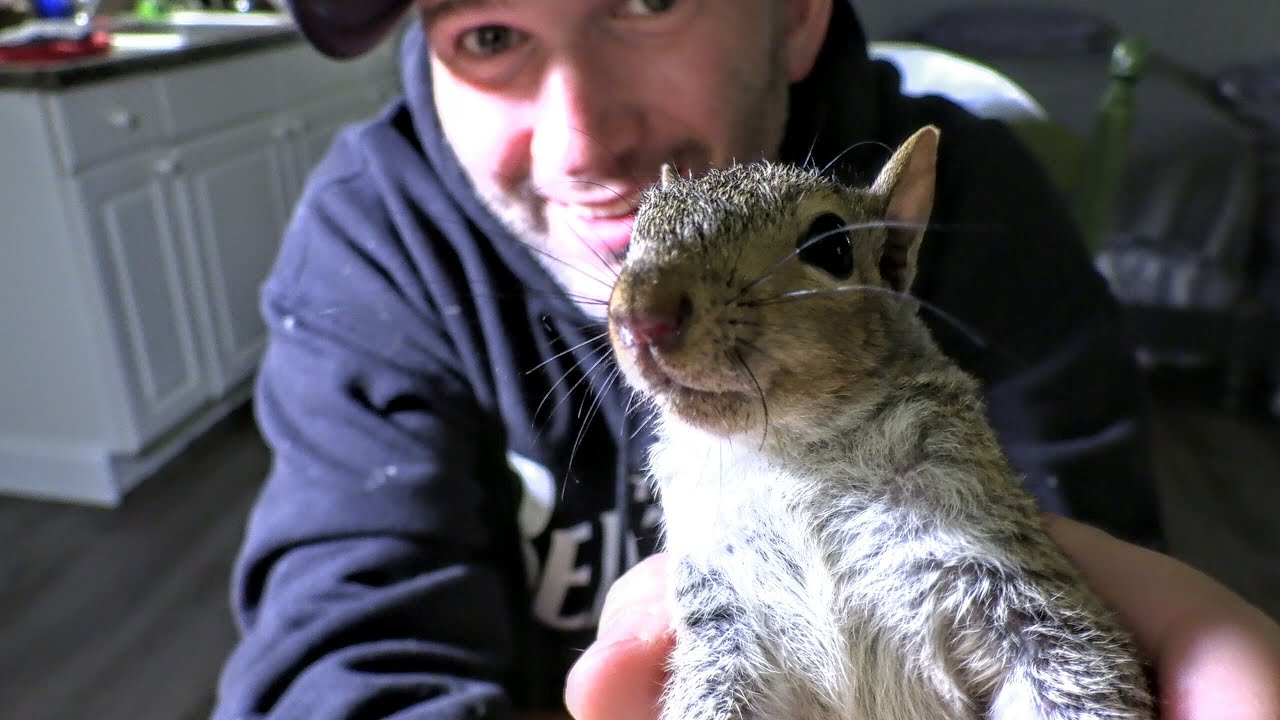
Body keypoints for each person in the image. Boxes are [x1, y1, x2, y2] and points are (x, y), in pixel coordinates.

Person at [211, 1, 1278, 718]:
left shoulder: (981, 218)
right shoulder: (370, 238)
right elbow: (337, 644)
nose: (579, 143)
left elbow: (1073, 613)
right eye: (488, 32)